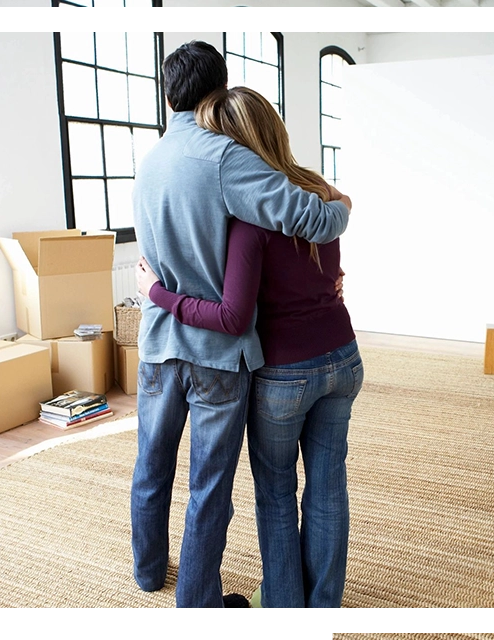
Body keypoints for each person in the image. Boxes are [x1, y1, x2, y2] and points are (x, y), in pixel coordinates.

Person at [130, 41, 352, 609]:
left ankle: (149, 570)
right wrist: (341, 206)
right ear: (219, 90)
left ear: (168, 92)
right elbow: (313, 219)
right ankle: (199, 605)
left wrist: (155, 292)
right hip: (218, 354)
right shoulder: (226, 159)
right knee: (210, 489)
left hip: (157, 340)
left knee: (151, 466)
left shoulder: (148, 160)